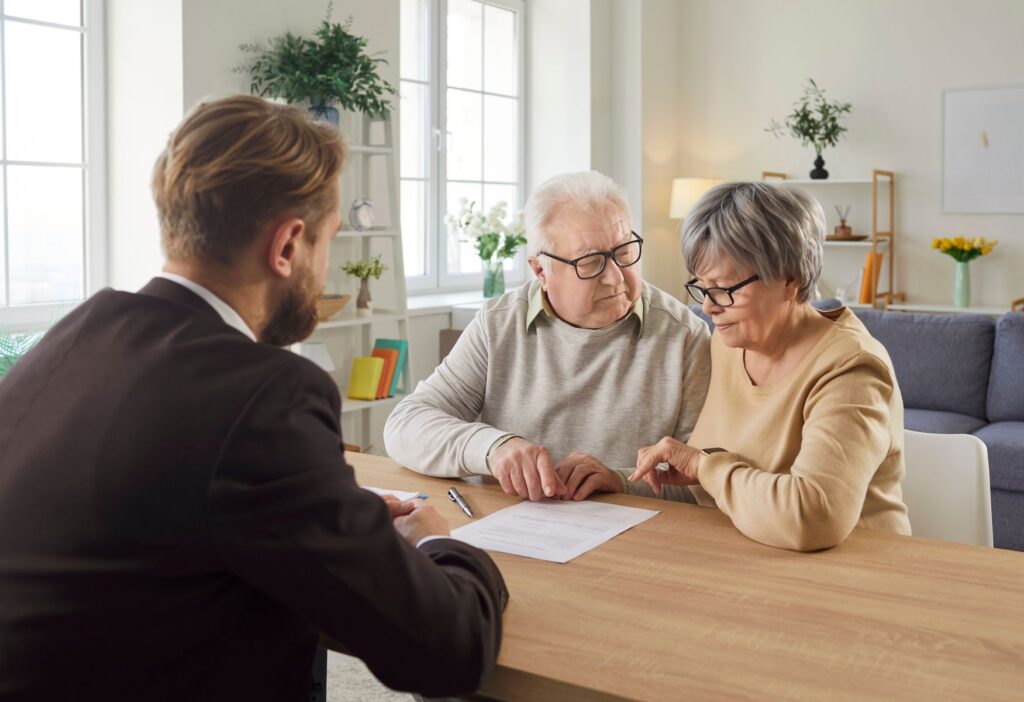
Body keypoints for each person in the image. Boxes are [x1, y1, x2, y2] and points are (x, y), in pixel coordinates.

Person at [0, 95, 507, 700]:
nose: (327, 268)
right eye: (328, 243)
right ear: (288, 246)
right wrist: (441, 542)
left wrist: (337, 514)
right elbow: (450, 654)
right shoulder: (268, 397)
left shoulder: (79, 332)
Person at [384, 171, 711, 502]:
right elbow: (405, 425)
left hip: (638, 543)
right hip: (511, 530)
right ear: (540, 270)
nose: (615, 278)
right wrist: (493, 448)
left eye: (624, 252)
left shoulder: (685, 336)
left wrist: (621, 480)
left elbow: (704, 482)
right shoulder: (498, 324)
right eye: (591, 262)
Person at [630, 182, 911, 551]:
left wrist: (703, 467)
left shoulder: (852, 367)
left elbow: (813, 516)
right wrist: (617, 480)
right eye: (701, 287)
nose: (709, 307)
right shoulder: (730, 343)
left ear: (789, 280)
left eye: (724, 288)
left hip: (858, 575)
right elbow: (718, 487)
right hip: (751, 556)